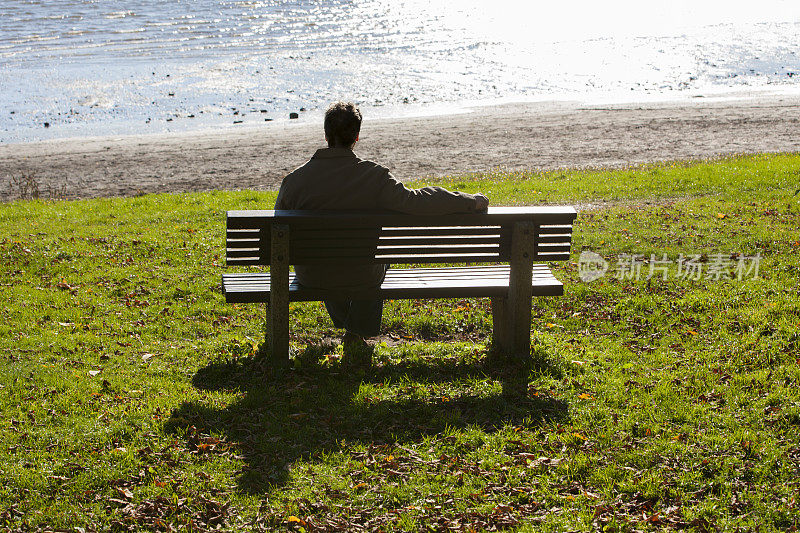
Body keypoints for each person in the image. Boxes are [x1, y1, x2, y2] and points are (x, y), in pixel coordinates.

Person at [274, 101, 489, 363]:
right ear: (356, 136)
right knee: (374, 260)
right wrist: (468, 201)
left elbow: (279, 231)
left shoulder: (295, 181)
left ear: (326, 135)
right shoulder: (374, 176)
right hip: (362, 275)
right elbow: (416, 201)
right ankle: (357, 332)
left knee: (327, 257)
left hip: (313, 276)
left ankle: (349, 326)